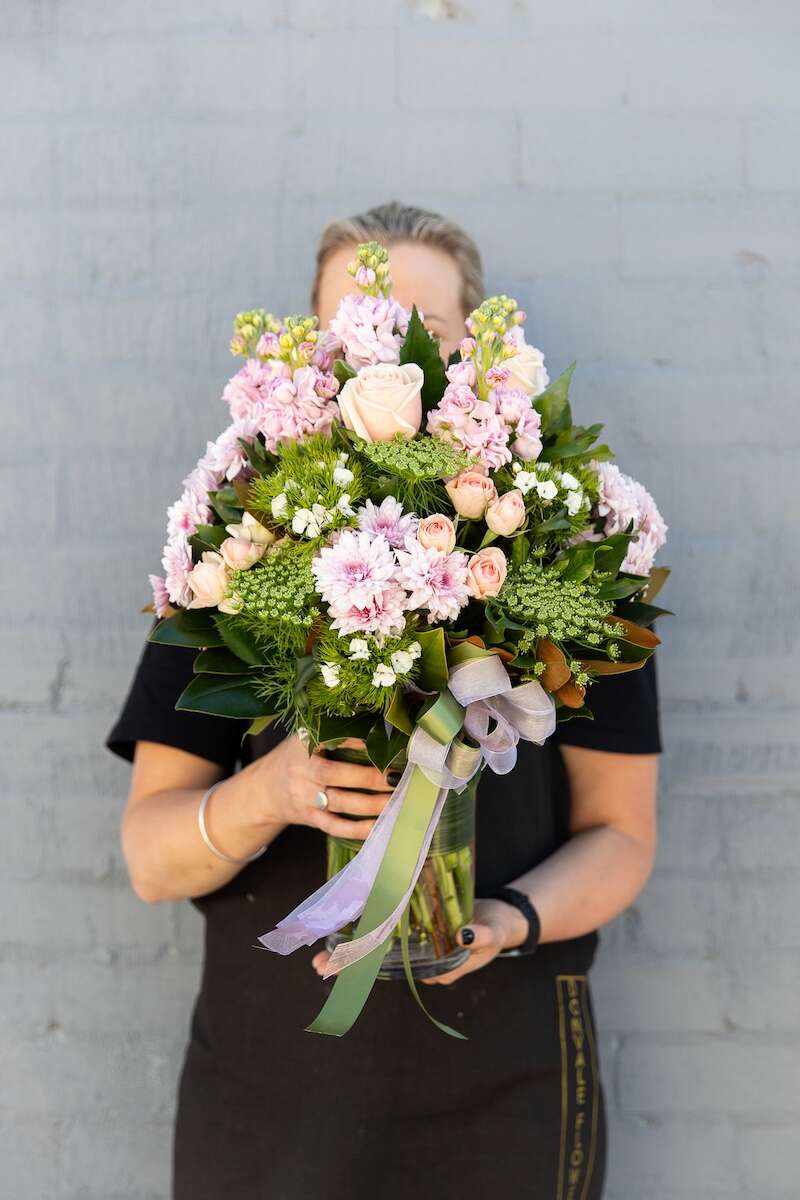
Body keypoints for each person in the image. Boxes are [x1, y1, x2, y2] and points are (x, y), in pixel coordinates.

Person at [106, 201, 661, 1200]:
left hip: (503, 1082)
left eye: (422, 332)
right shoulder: (226, 559)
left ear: (482, 359)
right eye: (350, 333)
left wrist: (508, 917)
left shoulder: (567, 566)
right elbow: (151, 857)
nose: (385, 356)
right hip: (272, 1094)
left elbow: (621, 835)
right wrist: (268, 792)